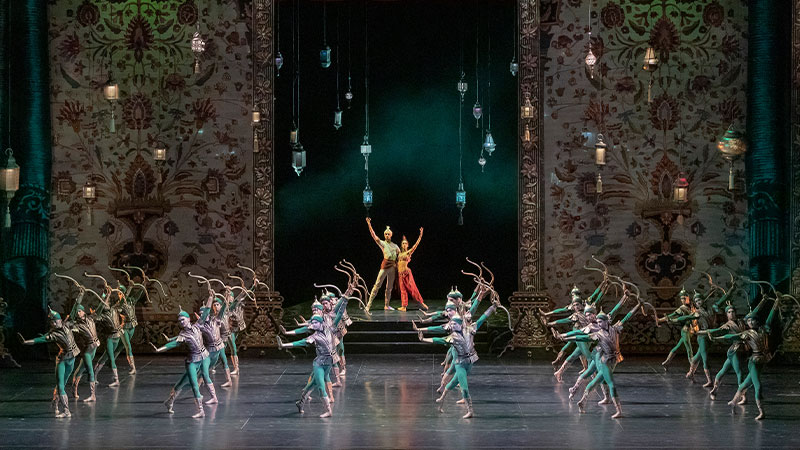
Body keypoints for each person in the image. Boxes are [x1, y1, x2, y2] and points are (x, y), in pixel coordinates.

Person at [418, 299, 498, 419]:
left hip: (470, 362)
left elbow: (482, 318)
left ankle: (442, 399)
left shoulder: (470, 330)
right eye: (452, 324)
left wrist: (492, 307)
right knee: (464, 388)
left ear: (460, 324)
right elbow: (439, 340)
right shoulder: (452, 337)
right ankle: (470, 410)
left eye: (455, 324)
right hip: (460, 363)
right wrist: (424, 339)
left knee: (452, 383)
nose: (453, 326)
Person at [151, 310, 214, 418]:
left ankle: (169, 401)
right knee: (194, 385)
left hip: (203, 358)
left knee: (182, 382)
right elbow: (173, 344)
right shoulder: (183, 334)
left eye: (183, 319)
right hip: (192, 362)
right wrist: (159, 349)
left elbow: (206, 312)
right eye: (179, 321)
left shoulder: (197, 326)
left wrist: (211, 300)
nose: (181, 322)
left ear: (188, 319)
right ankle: (201, 410)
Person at [18, 308, 81, 418]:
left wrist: (79, 298)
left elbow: (74, 309)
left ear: (60, 320)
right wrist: (26, 342)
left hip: (72, 359)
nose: (53, 324)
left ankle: (55, 403)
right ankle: (66, 411)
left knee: (62, 385)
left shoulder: (67, 325)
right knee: (61, 386)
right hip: (62, 361)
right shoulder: (53, 334)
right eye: (51, 322)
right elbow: (40, 340)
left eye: (55, 321)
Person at [365, 217, 400, 310]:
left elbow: (401, 255)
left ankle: (386, 305)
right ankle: (368, 305)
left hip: (392, 267)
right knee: (377, 285)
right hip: (385, 266)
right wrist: (369, 224)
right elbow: (374, 235)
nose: (387, 235)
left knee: (389, 287)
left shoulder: (395, 246)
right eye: (386, 234)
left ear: (391, 235)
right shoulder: (383, 243)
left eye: (388, 234)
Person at [397, 228, 428, 312]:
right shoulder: (399, 253)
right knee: (403, 290)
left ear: (408, 245)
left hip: (406, 273)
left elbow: (416, 245)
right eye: (403, 243)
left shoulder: (409, 252)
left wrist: (420, 235)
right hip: (400, 274)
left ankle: (421, 303)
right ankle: (404, 306)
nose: (404, 244)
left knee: (412, 289)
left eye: (405, 243)